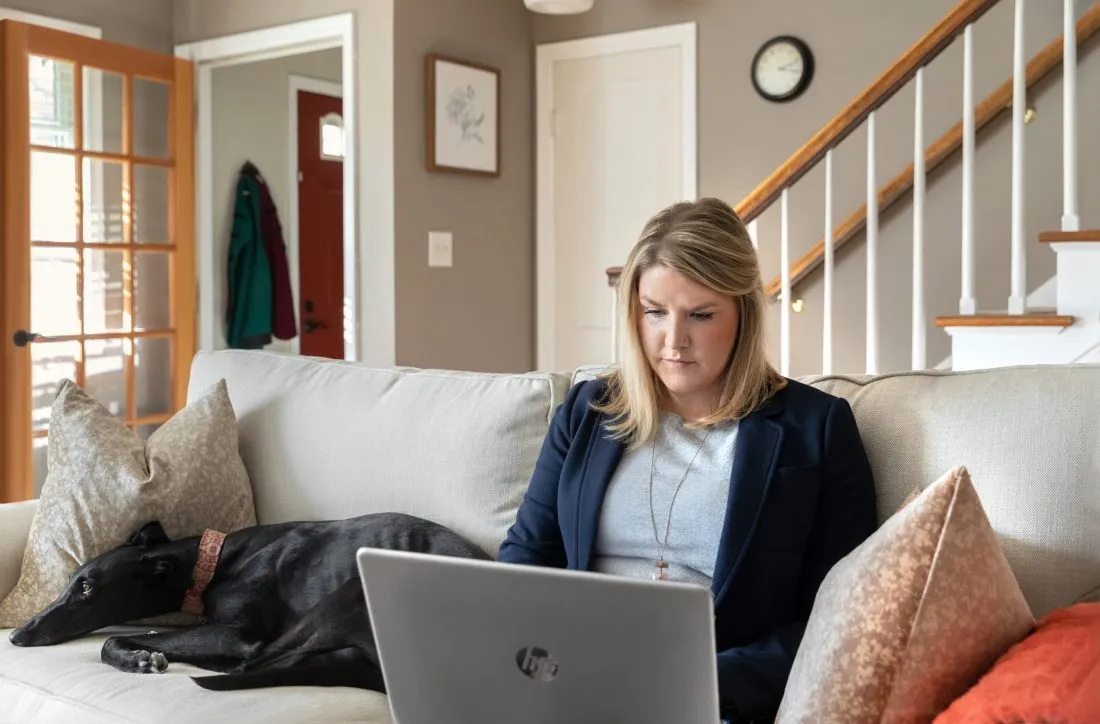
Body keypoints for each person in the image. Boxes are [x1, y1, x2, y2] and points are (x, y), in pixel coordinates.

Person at [497, 197, 877, 723]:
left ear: (742, 313)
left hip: (709, 696)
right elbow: (524, 562)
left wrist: (700, 684)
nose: (673, 341)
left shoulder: (815, 429)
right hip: (573, 683)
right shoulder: (586, 412)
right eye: (655, 312)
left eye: (700, 314)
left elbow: (838, 619)